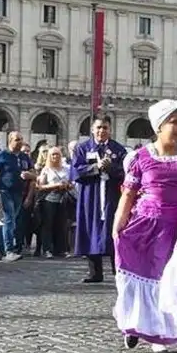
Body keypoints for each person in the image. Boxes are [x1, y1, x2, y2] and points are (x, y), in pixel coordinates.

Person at [112, 99, 177, 353]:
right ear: (159, 127)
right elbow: (128, 194)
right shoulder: (141, 158)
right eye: (175, 122)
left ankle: (157, 337)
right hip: (145, 227)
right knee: (143, 278)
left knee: (168, 281)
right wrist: (118, 225)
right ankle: (138, 326)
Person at [71, 117, 128, 283]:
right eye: (98, 128)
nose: (101, 131)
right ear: (92, 129)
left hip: (112, 196)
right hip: (91, 195)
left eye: (105, 128)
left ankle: (118, 271)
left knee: (114, 229)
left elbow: (126, 172)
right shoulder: (83, 148)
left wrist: (111, 168)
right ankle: (95, 272)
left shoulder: (118, 149)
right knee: (91, 229)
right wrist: (95, 167)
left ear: (110, 129)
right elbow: (76, 172)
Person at [0, 131, 36, 262]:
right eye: (17, 140)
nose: (20, 142)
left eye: (21, 139)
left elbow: (34, 175)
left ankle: (0, 249)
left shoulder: (25, 157)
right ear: (10, 141)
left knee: (8, 222)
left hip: (18, 193)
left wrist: (29, 175)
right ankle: (9, 251)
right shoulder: (1, 155)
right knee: (9, 219)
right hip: (3, 191)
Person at [35, 146, 72, 258]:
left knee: (61, 225)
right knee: (48, 225)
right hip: (49, 200)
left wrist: (67, 185)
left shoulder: (66, 169)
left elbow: (72, 183)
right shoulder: (46, 169)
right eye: (53, 154)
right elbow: (40, 186)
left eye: (57, 154)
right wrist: (55, 185)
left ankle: (60, 250)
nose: (55, 156)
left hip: (63, 199)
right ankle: (47, 249)